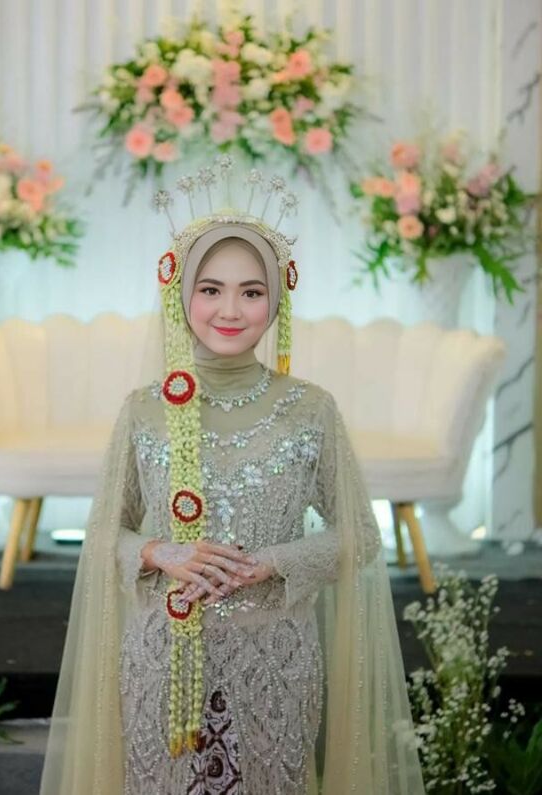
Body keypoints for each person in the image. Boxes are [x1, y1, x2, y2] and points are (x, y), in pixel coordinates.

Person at [39, 164, 425, 795]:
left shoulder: (311, 408)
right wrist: (161, 552)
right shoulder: (144, 408)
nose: (229, 309)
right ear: (181, 294)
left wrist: (270, 562)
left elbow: (359, 535)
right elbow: (105, 534)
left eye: (251, 292)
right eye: (211, 289)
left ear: (277, 301)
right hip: (161, 658)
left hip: (274, 658)